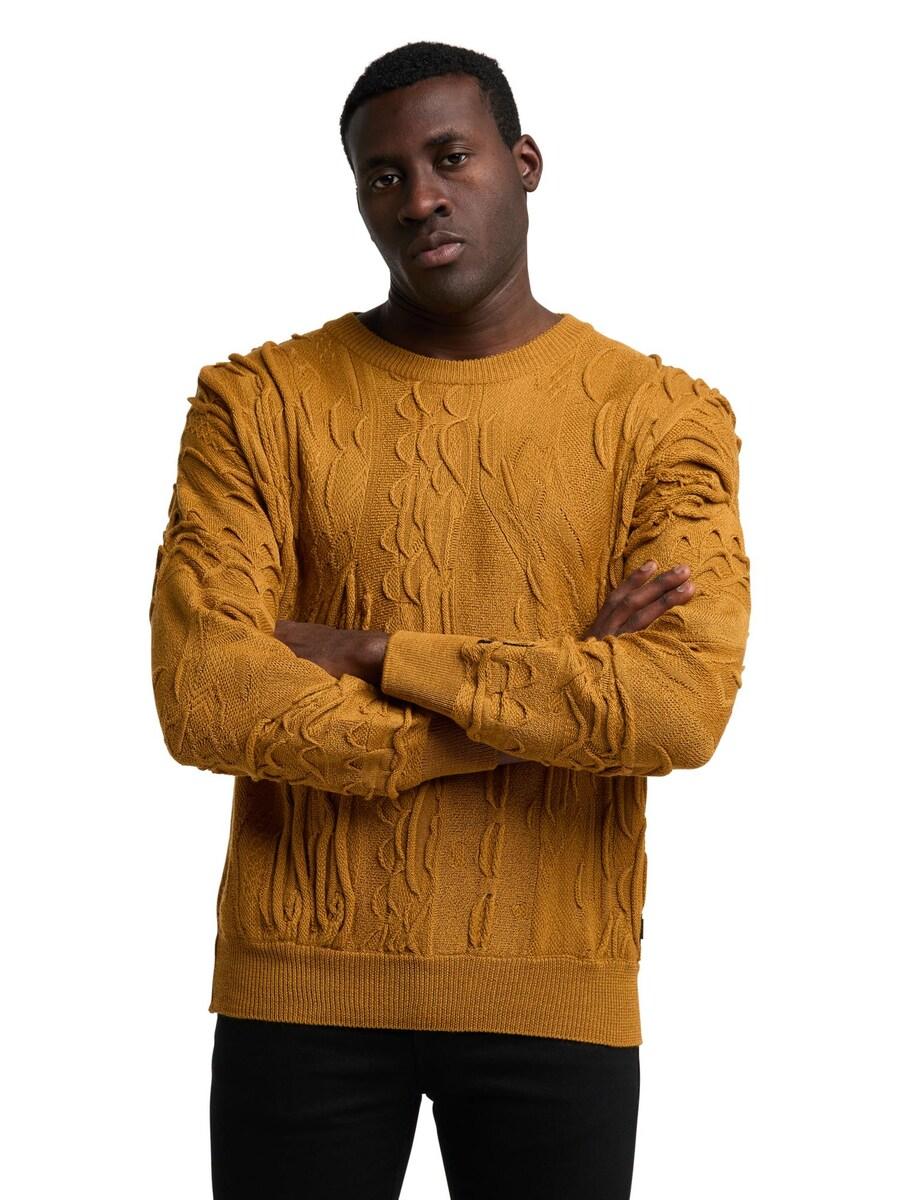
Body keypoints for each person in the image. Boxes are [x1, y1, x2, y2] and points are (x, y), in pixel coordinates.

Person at [149, 39, 751, 1200]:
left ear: (524, 164)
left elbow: (677, 708)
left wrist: (377, 652)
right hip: (301, 989)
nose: (419, 196)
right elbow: (206, 697)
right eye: (384, 175)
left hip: (555, 989)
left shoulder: (663, 416)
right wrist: (561, 695)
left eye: (451, 158)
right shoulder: (255, 404)